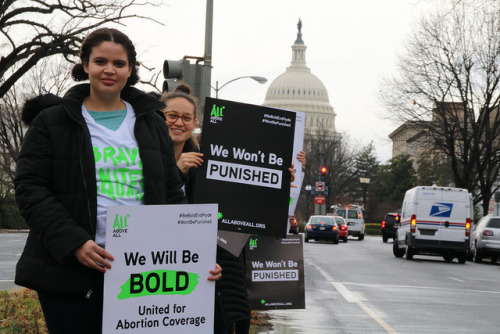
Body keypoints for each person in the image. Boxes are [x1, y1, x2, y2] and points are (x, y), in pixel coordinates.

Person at [14, 28, 221, 334]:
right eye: (100, 61)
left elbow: (170, 194)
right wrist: (75, 242)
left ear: (130, 69)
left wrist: (197, 255)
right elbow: (30, 188)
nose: (109, 70)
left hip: (141, 271)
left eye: (119, 63)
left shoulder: (151, 122)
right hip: (72, 272)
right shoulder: (52, 121)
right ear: (86, 65)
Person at [161, 84, 299, 334]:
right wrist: (176, 173)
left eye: (186, 117)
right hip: (161, 277)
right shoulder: (139, 162)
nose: (178, 122)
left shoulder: (208, 165)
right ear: (159, 117)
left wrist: (275, 187)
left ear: (195, 123)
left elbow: (247, 215)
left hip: (213, 279)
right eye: (171, 115)